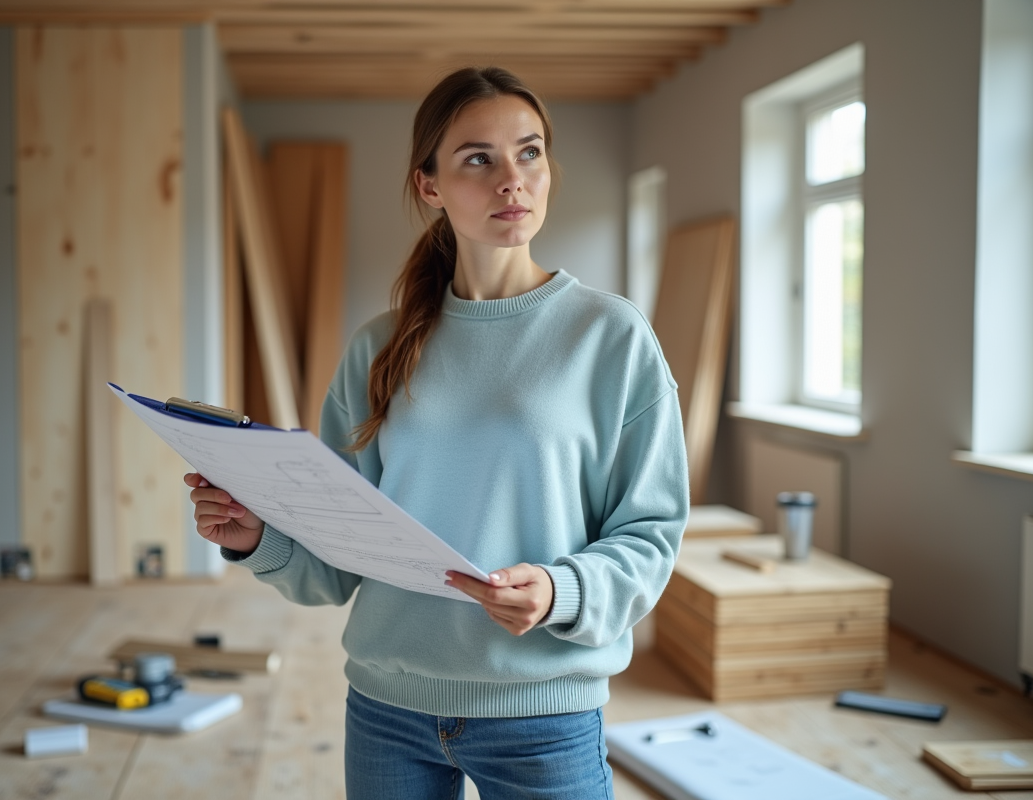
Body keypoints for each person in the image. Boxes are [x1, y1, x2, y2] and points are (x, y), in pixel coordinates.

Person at [184, 66, 688, 800]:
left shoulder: (611, 337)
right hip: (389, 710)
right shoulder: (378, 347)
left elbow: (652, 532)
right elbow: (334, 556)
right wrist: (255, 537)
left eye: (530, 152)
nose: (511, 179)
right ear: (429, 185)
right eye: (478, 159)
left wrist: (561, 588)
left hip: (542, 714)